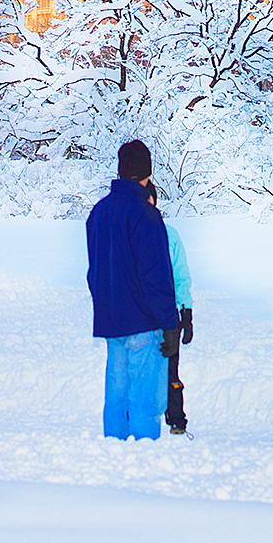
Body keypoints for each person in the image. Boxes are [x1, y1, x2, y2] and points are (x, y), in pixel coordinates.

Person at [85, 139, 179, 441]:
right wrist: (170, 324)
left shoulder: (98, 213)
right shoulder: (146, 215)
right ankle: (143, 462)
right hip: (145, 322)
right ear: (147, 172)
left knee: (116, 398)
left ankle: (113, 456)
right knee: (145, 402)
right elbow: (156, 276)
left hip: (113, 321)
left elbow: (94, 271)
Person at [147, 181, 194, 436]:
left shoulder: (170, 235)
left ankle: (176, 419)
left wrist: (186, 311)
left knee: (170, 367)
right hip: (141, 316)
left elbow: (181, 276)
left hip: (169, 314)